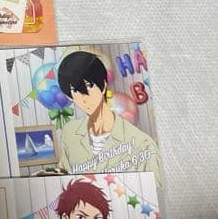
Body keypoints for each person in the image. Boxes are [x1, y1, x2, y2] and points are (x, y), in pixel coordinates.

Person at [55, 51, 163, 185]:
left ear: (103, 85)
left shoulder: (143, 145)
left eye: (89, 86)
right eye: (75, 90)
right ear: (69, 96)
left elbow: (156, 192)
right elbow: (65, 180)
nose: (84, 97)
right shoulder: (70, 132)